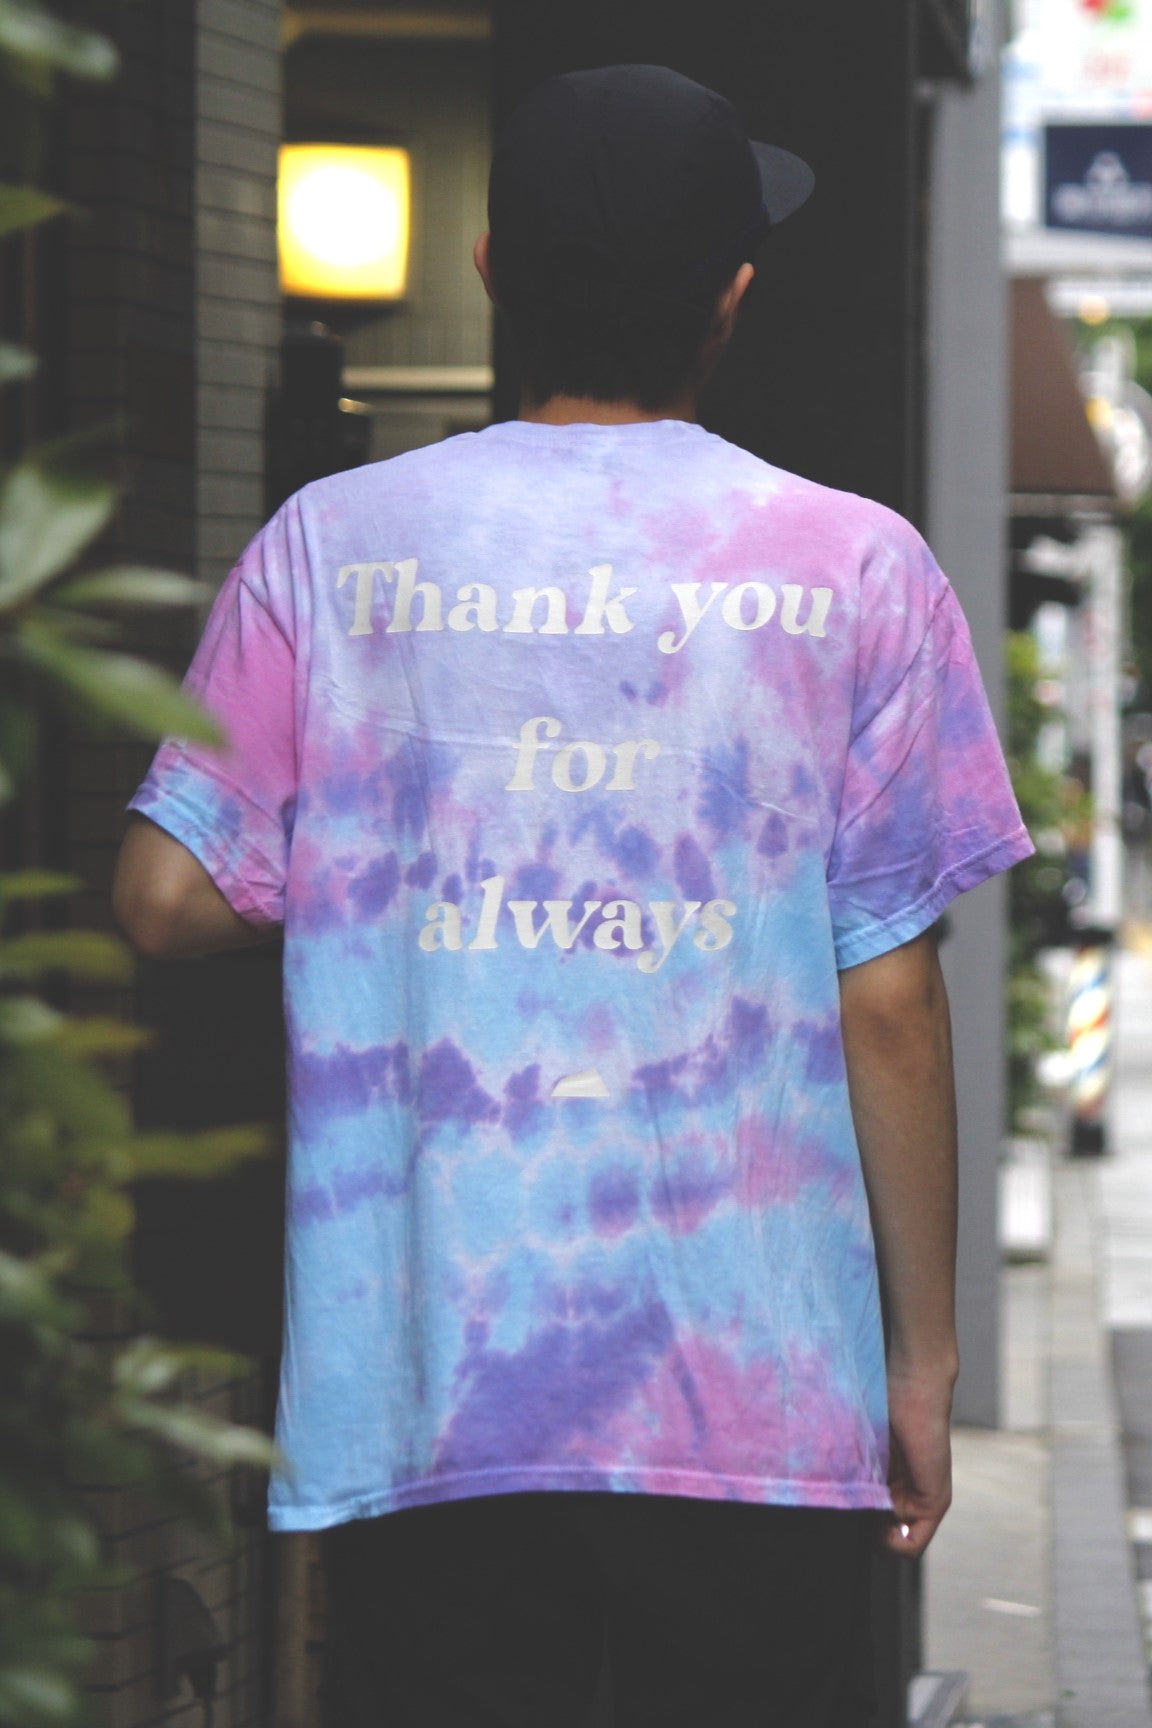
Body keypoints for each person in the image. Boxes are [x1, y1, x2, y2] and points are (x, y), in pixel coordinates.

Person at [113, 63, 1033, 1728]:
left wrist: (402, 853)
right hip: (755, 1391)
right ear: (731, 298)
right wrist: (922, 1361)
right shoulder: (861, 570)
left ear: (487, 275)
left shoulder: (331, 546)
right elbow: (890, 1004)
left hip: (435, 1383)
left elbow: (165, 898)